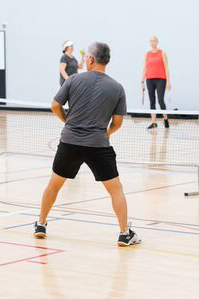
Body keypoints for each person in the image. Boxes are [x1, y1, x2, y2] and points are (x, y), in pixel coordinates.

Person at [34, 42, 141, 246]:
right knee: (116, 189)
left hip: (69, 143)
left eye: (85, 58)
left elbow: (55, 105)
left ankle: (41, 223)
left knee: (54, 185)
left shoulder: (74, 80)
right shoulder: (117, 88)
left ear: (90, 59)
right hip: (98, 145)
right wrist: (105, 133)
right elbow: (117, 123)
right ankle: (124, 233)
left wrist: (68, 121)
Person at [141, 35, 171, 129]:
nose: (152, 42)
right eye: (151, 41)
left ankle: (166, 120)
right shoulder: (147, 54)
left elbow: (166, 68)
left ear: (157, 42)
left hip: (161, 79)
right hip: (149, 79)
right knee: (152, 101)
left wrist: (168, 82)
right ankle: (154, 123)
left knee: (160, 100)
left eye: (154, 41)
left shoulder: (162, 53)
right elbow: (145, 68)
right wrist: (142, 81)